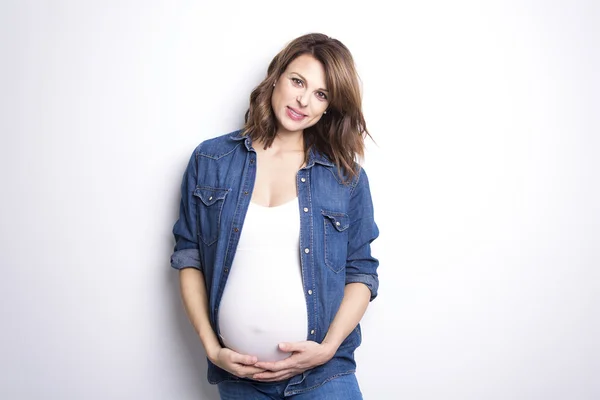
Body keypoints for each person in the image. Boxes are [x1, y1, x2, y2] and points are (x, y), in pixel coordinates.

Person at [170, 32, 379, 399]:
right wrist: (212, 348)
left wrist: (327, 348)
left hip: (323, 375)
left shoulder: (345, 178)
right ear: (276, 76)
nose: (303, 99)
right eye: (298, 81)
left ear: (329, 106)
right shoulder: (211, 161)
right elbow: (189, 259)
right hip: (240, 378)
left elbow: (361, 273)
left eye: (321, 93)